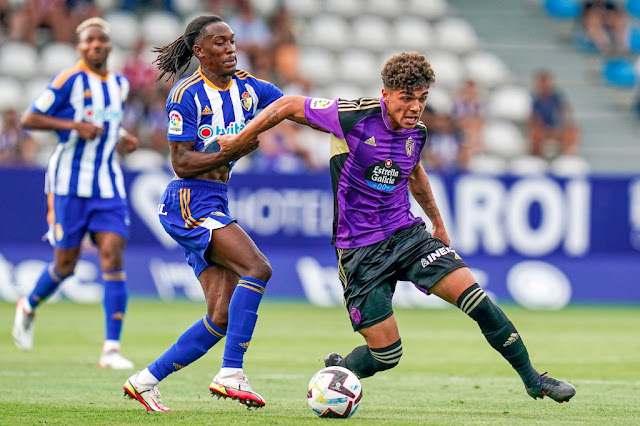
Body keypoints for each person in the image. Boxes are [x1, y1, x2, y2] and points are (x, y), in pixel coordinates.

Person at [218, 52, 577, 404]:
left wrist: (437, 222)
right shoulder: (353, 117)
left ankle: (534, 380)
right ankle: (342, 369)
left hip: (407, 235)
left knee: (477, 299)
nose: (415, 107)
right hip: (359, 250)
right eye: (407, 98)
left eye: (422, 99)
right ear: (386, 94)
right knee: (387, 355)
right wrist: (238, 140)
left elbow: (414, 172)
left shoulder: (416, 132)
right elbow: (289, 104)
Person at [123, 15, 287, 412]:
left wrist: (344, 122)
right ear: (200, 51)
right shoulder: (186, 94)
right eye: (220, 43)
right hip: (188, 202)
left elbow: (288, 105)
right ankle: (231, 373)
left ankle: (145, 381)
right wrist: (231, 150)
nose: (230, 48)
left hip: (215, 199)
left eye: (232, 41)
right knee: (258, 268)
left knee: (220, 316)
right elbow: (181, 163)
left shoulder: (248, 87)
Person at [12, 17, 138, 370]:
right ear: (80, 47)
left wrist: (122, 137)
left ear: (110, 45)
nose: (96, 45)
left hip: (108, 184)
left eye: (102, 40)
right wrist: (74, 126)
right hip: (68, 183)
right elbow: (30, 118)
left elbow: (108, 122)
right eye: (89, 41)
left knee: (113, 254)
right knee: (64, 265)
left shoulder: (120, 84)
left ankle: (111, 349)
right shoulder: (68, 79)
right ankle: (29, 304)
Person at [529, 69, 580, 158]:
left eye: (546, 82)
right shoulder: (535, 100)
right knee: (536, 134)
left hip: (556, 129)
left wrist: (559, 129)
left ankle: (567, 158)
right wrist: (546, 131)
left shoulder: (557, 98)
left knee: (572, 130)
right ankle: (536, 158)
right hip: (543, 131)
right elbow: (534, 120)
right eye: (541, 82)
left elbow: (566, 115)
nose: (544, 85)